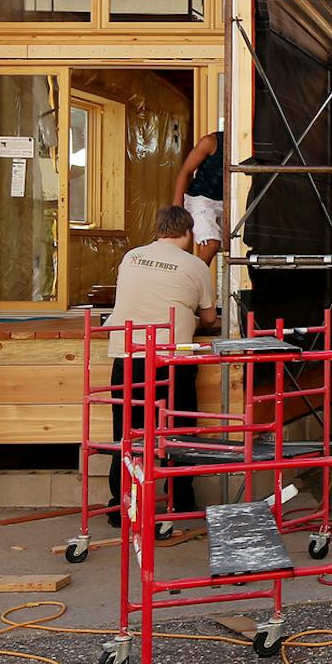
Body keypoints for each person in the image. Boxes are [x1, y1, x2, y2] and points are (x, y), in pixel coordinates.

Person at [104, 205, 219, 524]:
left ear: (158, 230)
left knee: (127, 432)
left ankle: (122, 505)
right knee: (179, 431)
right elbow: (208, 318)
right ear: (188, 232)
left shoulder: (131, 257)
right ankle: (180, 502)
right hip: (172, 357)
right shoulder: (195, 265)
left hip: (128, 355)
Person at [173, 129, 227, 266]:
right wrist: (177, 207)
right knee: (212, 243)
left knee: (232, 245)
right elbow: (186, 171)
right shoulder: (211, 142)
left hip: (227, 202)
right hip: (201, 199)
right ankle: (190, 283)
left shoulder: (246, 146)